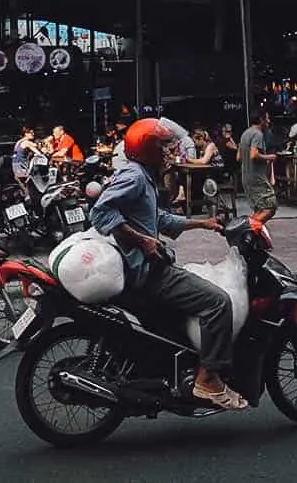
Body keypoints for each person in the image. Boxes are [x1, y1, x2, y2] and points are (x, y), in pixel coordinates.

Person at [88, 118, 243, 410]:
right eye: (164, 147)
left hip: (147, 267)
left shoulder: (142, 176)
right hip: (148, 273)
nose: (171, 152)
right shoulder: (133, 177)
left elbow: (158, 219)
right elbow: (101, 212)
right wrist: (142, 241)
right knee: (218, 302)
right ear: (148, 149)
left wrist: (203, 224)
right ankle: (208, 379)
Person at [238, 111, 278, 222]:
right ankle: (248, 229)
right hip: (257, 178)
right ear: (261, 120)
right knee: (270, 206)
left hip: (246, 177)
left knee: (260, 209)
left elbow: (238, 157)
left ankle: (254, 233)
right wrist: (269, 157)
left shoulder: (245, 134)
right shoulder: (258, 134)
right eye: (267, 118)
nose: (269, 121)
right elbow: (253, 154)